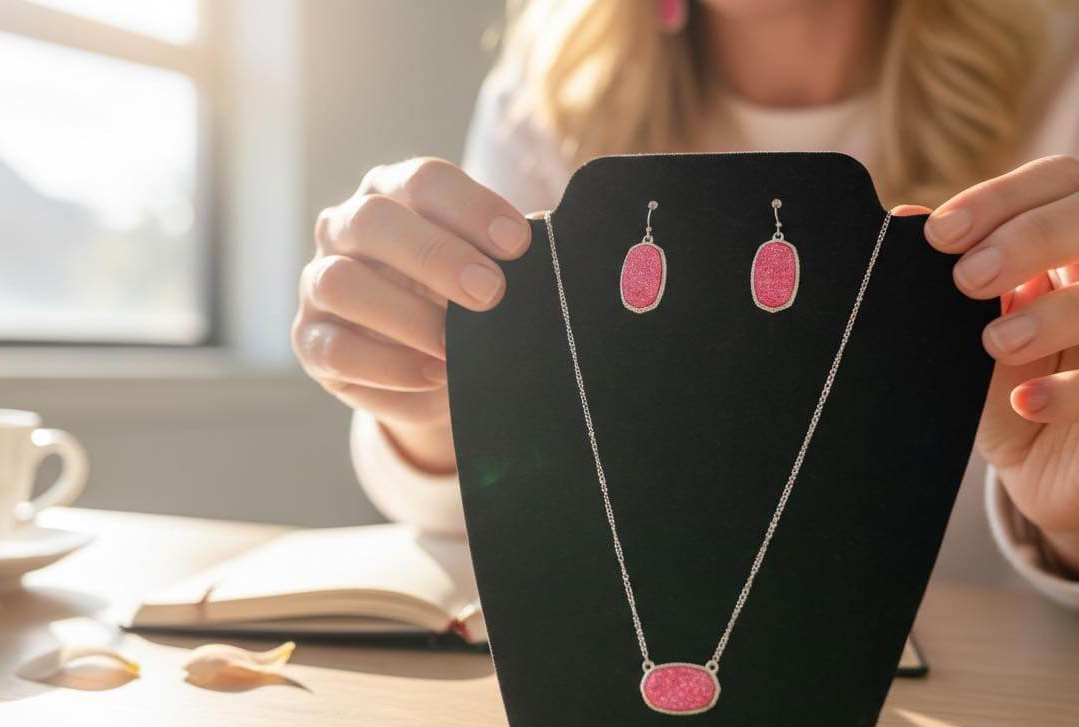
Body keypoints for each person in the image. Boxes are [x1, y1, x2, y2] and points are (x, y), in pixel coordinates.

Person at [292, 0, 1079, 608]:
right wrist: (434, 404)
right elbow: (508, 510)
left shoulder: (1061, 89)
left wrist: (1071, 522)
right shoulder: (548, 102)